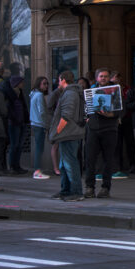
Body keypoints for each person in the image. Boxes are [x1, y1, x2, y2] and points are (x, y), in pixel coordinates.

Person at [84, 68, 124, 198]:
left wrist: (109, 114)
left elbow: (119, 111)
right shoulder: (90, 92)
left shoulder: (115, 91)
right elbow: (85, 109)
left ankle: (105, 188)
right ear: (97, 78)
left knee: (108, 159)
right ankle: (89, 187)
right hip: (94, 129)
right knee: (90, 159)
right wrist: (86, 118)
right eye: (101, 76)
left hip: (109, 129)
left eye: (106, 76)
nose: (103, 78)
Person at [50, 71, 86, 201]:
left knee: (70, 163)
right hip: (69, 133)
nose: (58, 83)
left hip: (69, 133)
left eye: (59, 80)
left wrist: (57, 132)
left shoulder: (70, 93)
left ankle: (76, 192)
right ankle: (65, 190)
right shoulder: (72, 92)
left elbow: (67, 115)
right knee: (64, 164)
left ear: (63, 79)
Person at [109, 71, 135, 177]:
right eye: (115, 77)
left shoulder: (126, 89)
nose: (117, 79)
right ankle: (116, 167)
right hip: (111, 121)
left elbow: (123, 105)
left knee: (129, 143)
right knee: (116, 145)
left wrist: (120, 117)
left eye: (119, 77)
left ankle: (129, 165)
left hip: (124, 119)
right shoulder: (109, 90)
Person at [29, 76, 52, 179]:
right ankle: (37, 170)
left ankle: (37, 170)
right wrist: (47, 124)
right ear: (39, 84)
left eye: (47, 83)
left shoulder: (33, 94)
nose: (46, 86)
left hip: (35, 123)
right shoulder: (39, 95)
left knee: (39, 148)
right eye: (44, 83)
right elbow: (42, 112)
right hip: (39, 124)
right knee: (39, 148)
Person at [6, 76, 29, 174]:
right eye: (21, 82)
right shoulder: (11, 94)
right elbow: (9, 109)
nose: (23, 84)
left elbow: (24, 108)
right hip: (14, 123)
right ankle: (12, 165)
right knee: (14, 145)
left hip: (21, 122)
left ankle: (17, 165)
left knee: (19, 145)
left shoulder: (20, 94)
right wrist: (14, 118)